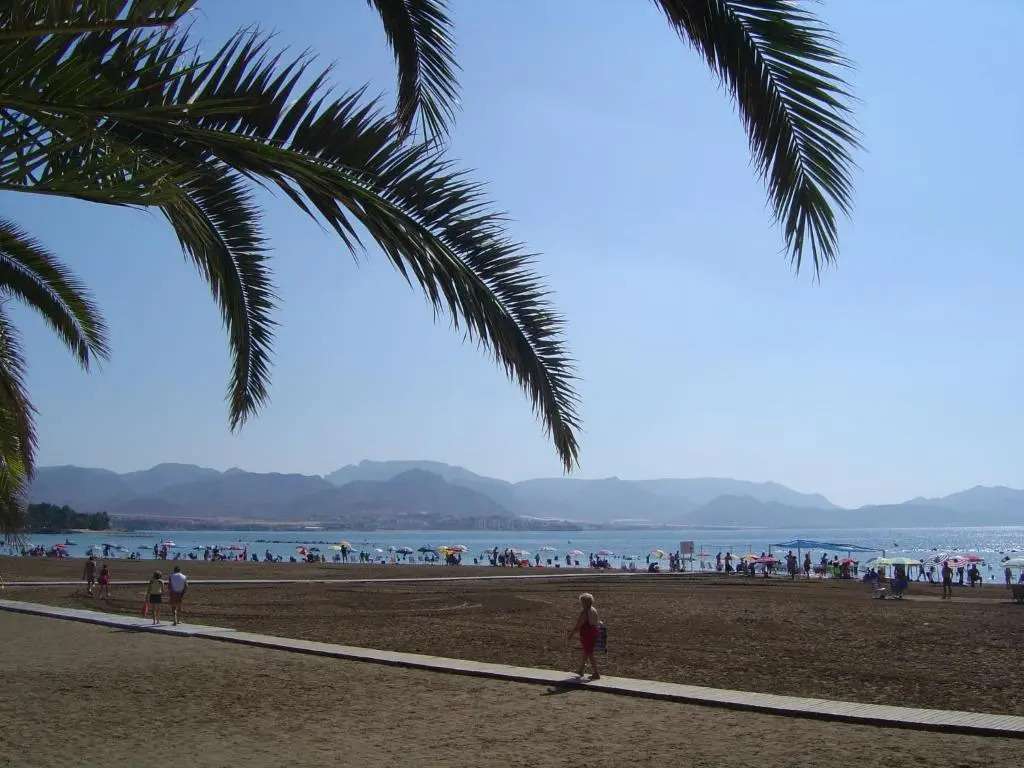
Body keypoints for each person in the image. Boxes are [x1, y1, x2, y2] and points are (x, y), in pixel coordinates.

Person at [567, 593, 601, 680]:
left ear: (585, 602)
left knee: (589, 653)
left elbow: (578, 625)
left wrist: (570, 635)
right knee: (586, 651)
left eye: (582, 602)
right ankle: (581, 670)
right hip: (594, 632)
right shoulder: (593, 609)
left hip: (588, 634)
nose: (581, 604)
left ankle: (596, 673)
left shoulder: (585, 612)